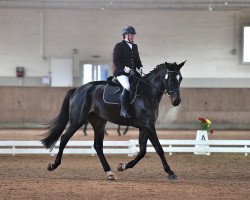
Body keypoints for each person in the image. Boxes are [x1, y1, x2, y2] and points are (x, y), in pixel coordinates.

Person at [113, 26, 143, 118]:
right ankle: (123, 109)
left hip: (133, 73)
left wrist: (140, 67)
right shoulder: (119, 45)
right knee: (127, 86)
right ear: (125, 35)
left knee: (141, 84)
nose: (133, 36)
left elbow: (137, 59)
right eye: (131, 35)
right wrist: (124, 68)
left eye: (133, 35)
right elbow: (116, 60)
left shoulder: (134, 46)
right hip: (121, 73)